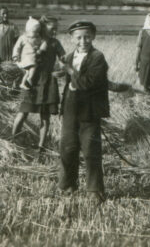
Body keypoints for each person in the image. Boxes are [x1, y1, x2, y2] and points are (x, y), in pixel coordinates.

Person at [58, 20, 109, 204]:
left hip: (90, 110)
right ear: (72, 39)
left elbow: (88, 83)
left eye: (87, 36)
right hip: (70, 108)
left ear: (93, 36)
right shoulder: (69, 57)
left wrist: (70, 71)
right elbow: (66, 77)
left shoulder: (98, 57)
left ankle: (95, 190)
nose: (83, 41)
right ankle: (67, 185)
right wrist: (59, 72)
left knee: (90, 150)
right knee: (67, 147)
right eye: (78, 37)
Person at [12, 16, 65, 153]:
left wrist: (61, 71)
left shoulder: (55, 43)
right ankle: (13, 140)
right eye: (52, 28)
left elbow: (64, 59)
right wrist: (20, 66)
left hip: (48, 82)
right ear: (43, 26)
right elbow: (18, 54)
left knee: (45, 117)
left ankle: (40, 147)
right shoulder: (32, 39)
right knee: (23, 112)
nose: (54, 31)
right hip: (32, 81)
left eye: (56, 29)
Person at [13, 17, 48, 88]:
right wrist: (16, 56)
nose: (35, 34)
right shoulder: (23, 38)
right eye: (34, 32)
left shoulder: (37, 38)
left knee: (27, 71)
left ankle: (23, 83)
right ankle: (29, 79)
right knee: (33, 67)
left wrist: (40, 49)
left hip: (31, 57)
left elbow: (43, 43)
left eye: (37, 32)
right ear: (28, 30)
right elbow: (17, 47)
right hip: (27, 57)